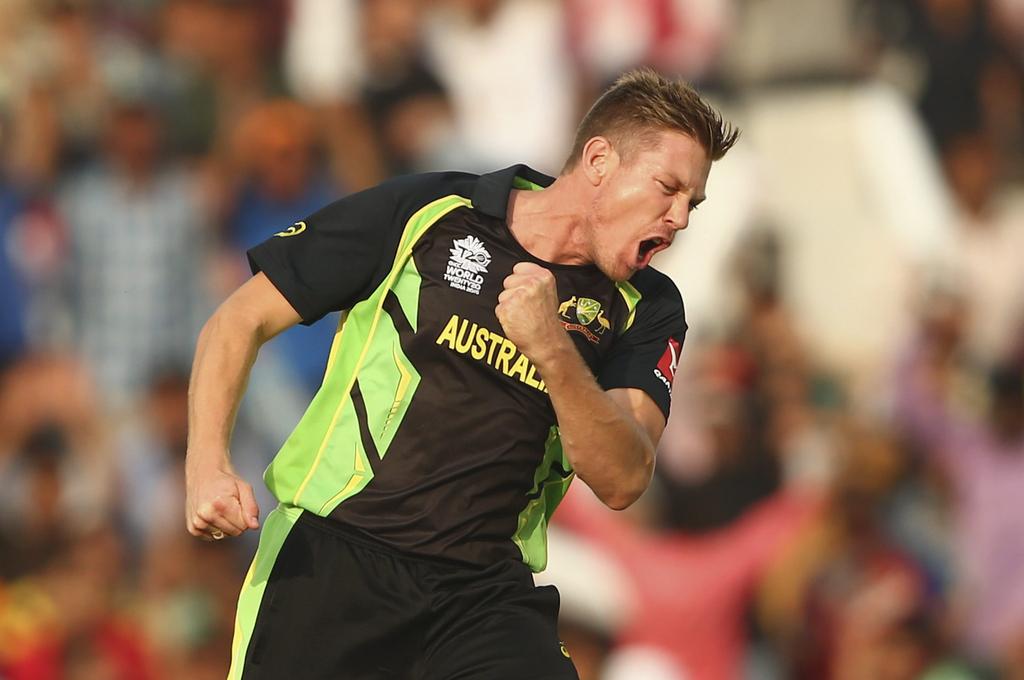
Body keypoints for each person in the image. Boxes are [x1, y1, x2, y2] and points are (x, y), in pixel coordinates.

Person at [184, 68, 738, 679]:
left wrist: (553, 349)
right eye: (668, 188)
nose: (681, 217)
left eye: (693, 202)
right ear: (600, 160)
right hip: (334, 560)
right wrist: (207, 462)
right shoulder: (430, 210)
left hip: (482, 595)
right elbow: (238, 320)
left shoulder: (649, 307)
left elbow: (623, 477)